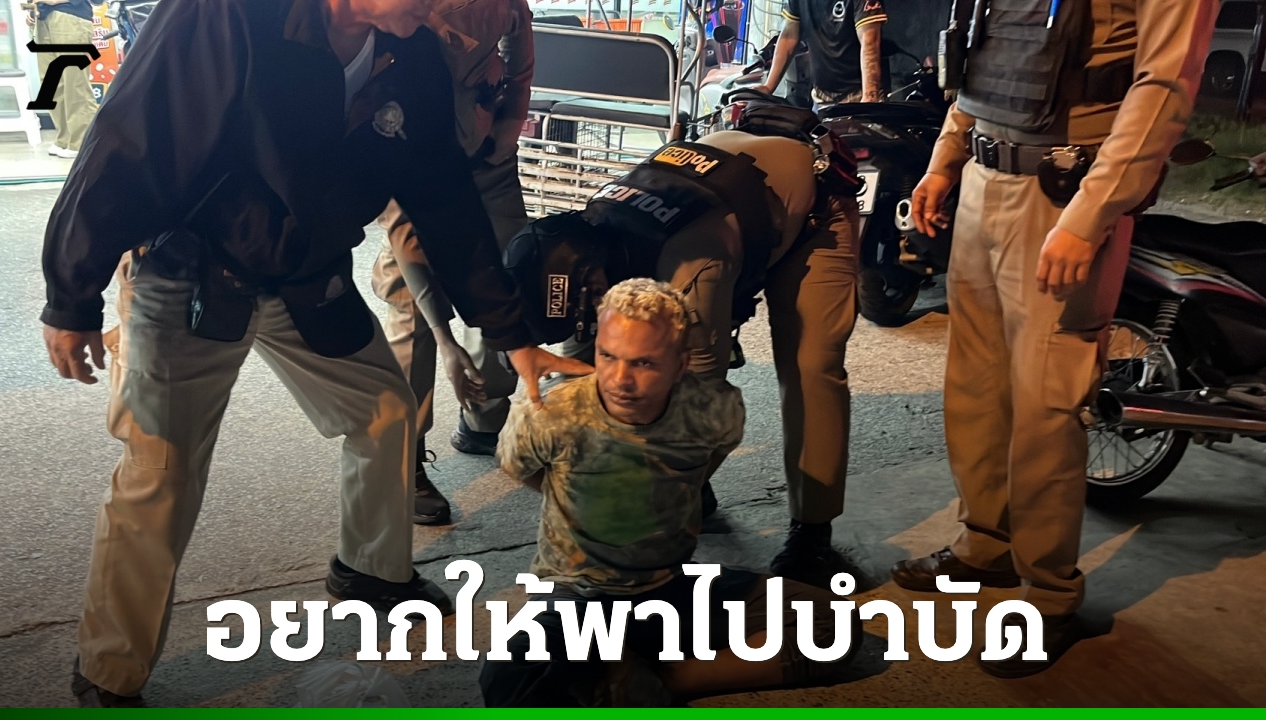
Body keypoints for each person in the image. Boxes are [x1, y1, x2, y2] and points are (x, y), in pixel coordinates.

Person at [39, 0, 588, 707]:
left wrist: (510, 334)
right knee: (161, 469)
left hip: (305, 275)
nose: (439, 9)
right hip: (191, 271)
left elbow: (444, 198)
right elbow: (126, 139)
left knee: (385, 412)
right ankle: (109, 670)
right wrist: (71, 296)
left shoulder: (410, 51)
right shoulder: (226, 15)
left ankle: (370, 572)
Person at [893, 0, 1218, 678]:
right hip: (983, 174)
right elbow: (986, 49)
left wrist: (1090, 215)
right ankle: (986, 545)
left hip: (1063, 191)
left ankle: (1048, 594)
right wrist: (946, 156)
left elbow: (1163, 85)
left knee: (1047, 402)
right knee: (976, 387)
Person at [502, 107, 864, 588]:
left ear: (595, 284)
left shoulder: (693, 265)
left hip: (814, 206)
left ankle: (812, 536)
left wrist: (661, 487)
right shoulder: (582, 247)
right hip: (731, 183)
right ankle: (695, 489)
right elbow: (582, 368)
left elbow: (702, 396)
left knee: (810, 367)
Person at [480, 278, 862, 707]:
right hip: (577, 594)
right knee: (509, 675)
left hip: (667, 587)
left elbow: (701, 470)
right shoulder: (550, 413)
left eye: (644, 363)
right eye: (607, 356)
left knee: (832, 624)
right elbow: (520, 469)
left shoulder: (714, 409)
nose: (619, 380)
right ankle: (612, 670)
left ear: (681, 365)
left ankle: (656, 681)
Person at [369, 0, 535, 525]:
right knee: (413, 307)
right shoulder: (395, 24)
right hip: (415, 155)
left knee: (508, 274)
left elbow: (520, 45)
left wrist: (509, 125)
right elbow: (405, 226)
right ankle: (403, 462)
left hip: (486, 150)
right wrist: (446, 340)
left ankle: (485, 415)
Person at [755, 0, 887, 106]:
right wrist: (768, 87)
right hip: (821, 97)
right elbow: (789, 35)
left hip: (858, 95)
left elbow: (869, 43)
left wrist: (870, 96)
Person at [28, 0, 100, 157]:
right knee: (51, 84)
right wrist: (32, 9)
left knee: (75, 82)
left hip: (70, 15)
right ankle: (65, 139)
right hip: (43, 17)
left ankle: (81, 141)